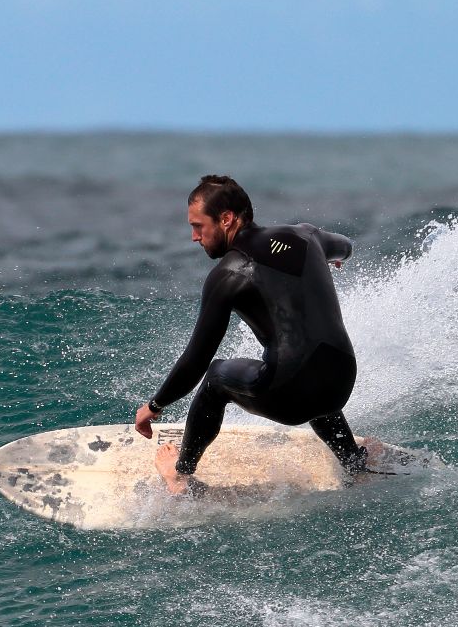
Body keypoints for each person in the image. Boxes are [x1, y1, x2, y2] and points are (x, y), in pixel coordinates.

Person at [135, 175, 369, 494]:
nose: (194, 237)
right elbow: (345, 246)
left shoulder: (227, 275)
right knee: (309, 358)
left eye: (199, 226)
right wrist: (334, 257)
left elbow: (196, 360)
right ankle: (354, 462)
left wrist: (154, 406)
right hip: (341, 380)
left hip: (292, 399)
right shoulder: (305, 234)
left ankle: (181, 475)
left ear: (227, 218)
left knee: (216, 377)